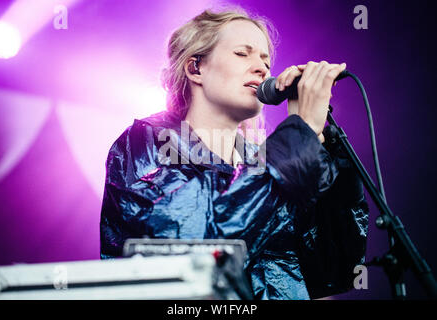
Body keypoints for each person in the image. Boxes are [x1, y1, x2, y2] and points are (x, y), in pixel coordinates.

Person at [100, 8, 369, 300]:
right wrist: (297, 138)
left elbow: (334, 270)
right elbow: (188, 241)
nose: (263, 69)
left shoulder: (271, 159)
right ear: (195, 68)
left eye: (266, 60)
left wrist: (319, 142)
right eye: (243, 53)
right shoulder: (146, 141)